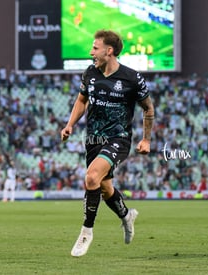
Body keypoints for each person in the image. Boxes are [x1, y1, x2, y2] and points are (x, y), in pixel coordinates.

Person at [61, 29, 154, 257]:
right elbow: (82, 100)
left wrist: (145, 139)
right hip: (93, 139)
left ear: (109, 51)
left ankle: (86, 232)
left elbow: (148, 109)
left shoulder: (132, 78)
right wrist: (70, 124)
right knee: (104, 188)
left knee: (92, 177)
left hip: (118, 139)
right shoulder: (90, 74)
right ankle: (126, 216)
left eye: (95, 48)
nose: (91, 52)